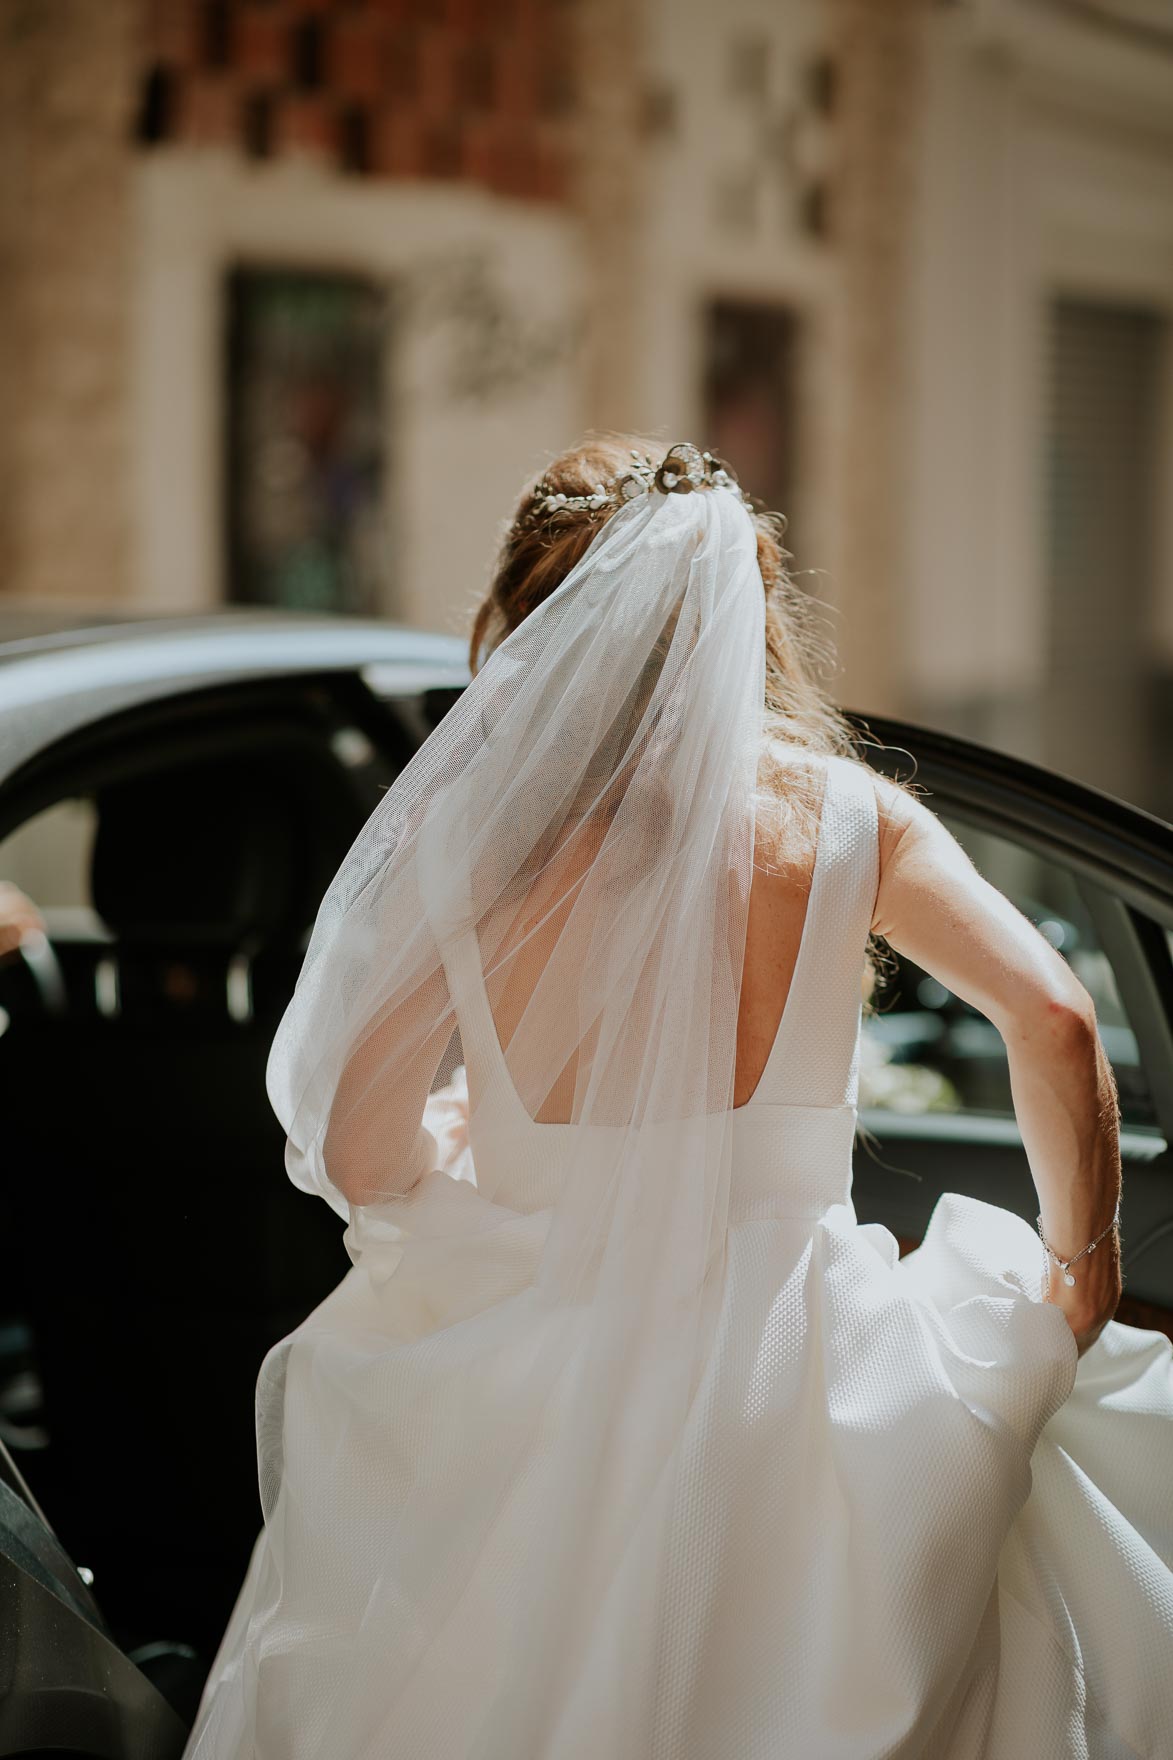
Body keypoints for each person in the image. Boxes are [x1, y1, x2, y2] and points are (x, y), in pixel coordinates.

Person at [183, 437, 1172, 1759]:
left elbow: (361, 1148)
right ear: (744, 616)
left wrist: (468, 1142)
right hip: (808, 1367)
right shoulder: (844, 818)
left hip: (530, 1361)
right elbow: (1051, 1018)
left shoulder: (476, 846)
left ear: (530, 623)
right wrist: (1083, 1256)